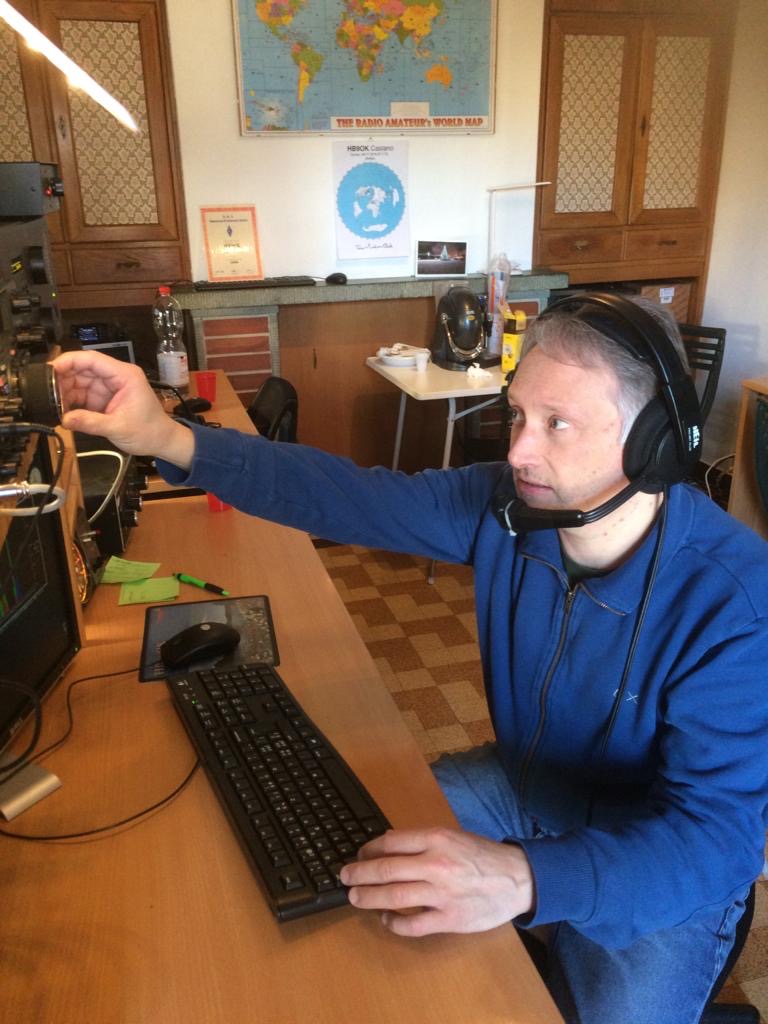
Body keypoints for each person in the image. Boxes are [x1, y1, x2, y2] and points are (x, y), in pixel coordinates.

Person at [51, 293, 768, 1024]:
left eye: (557, 423)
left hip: (662, 860)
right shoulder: (509, 506)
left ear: (654, 442)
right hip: (528, 786)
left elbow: (718, 838)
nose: (518, 452)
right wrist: (170, 438)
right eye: (519, 415)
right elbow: (346, 495)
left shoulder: (738, 601)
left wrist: (523, 878)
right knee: (344, 855)